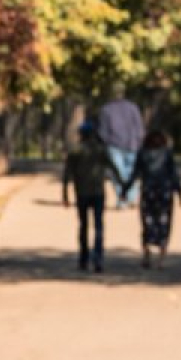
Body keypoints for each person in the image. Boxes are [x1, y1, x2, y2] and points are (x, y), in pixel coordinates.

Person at [62, 120, 114, 273]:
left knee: (84, 226)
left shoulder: (76, 150)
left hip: (82, 193)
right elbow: (113, 167)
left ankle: (84, 258)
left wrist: (65, 193)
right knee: (98, 226)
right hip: (98, 192)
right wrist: (124, 185)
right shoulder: (100, 149)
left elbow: (67, 174)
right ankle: (98, 258)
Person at [133, 129, 181, 268]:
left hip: (148, 191)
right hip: (164, 192)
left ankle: (147, 253)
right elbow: (173, 173)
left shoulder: (143, 153)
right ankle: (161, 256)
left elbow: (135, 172)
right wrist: (179, 192)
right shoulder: (167, 154)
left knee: (147, 222)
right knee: (164, 223)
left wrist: (126, 189)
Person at [93, 96, 146, 208]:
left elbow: (102, 131)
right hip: (131, 144)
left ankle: (124, 198)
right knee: (130, 173)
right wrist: (138, 140)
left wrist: (106, 141)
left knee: (118, 173)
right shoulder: (133, 108)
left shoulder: (106, 109)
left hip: (114, 145)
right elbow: (139, 127)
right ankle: (128, 197)